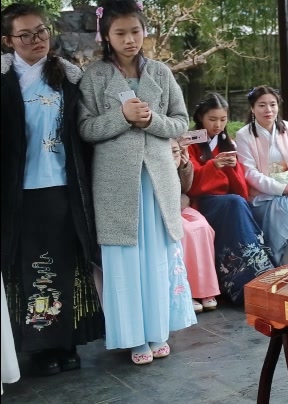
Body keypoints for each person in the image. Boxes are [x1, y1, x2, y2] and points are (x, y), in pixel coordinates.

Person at [77, 0, 196, 365]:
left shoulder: (161, 73)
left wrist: (150, 122)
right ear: (106, 36)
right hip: (116, 184)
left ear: (145, 31)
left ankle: (159, 329)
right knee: (125, 258)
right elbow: (84, 129)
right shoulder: (93, 76)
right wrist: (122, 116)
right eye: (120, 33)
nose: (130, 39)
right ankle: (133, 337)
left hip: (158, 179)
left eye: (135, 31)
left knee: (157, 256)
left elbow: (180, 122)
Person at [0, 2, 104, 376]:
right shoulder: (4, 82)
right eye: (25, 34)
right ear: (8, 40)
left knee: (67, 266)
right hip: (20, 194)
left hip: (64, 188)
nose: (36, 40)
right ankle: (39, 347)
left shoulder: (70, 78)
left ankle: (67, 341)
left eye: (41, 31)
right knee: (30, 269)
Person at [186, 93, 275, 305]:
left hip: (229, 202)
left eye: (223, 119)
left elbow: (240, 188)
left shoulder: (228, 143)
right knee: (236, 203)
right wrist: (212, 166)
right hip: (203, 203)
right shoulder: (189, 141)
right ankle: (250, 275)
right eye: (212, 119)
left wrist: (232, 167)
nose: (218, 125)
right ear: (200, 117)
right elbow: (189, 183)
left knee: (237, 202)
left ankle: (254, 274)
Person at [236, 86, 288, 265]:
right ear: (252, 108)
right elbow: (250, 172)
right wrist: (281, 189)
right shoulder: (244, 136)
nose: (268, 110)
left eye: (273, 104)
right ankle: (286, 258)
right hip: (264, 196)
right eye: (262, 105)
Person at [172, 138, 220, 313]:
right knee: (185, 231)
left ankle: (206, 289)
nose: (173, 155)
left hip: (183, 206)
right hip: (167, 210)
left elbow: (187, 187)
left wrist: (184, 167)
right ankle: (188, 291)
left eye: (176, 151)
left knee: (203, 226)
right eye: (170, 151)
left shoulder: (180, 160)